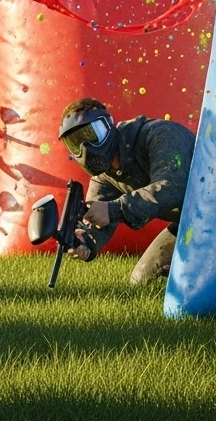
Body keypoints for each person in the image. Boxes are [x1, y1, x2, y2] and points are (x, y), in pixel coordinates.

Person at [57, 97, 195, 284]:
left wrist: (114, 210)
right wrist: (85, 241)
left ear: (107, 127)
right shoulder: (104, 176)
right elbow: (98, 222)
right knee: (140, 282)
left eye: (90, 135)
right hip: (187, 224)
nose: (85, 148)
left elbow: (172, 187)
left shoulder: (159, 135)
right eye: (76, 143)